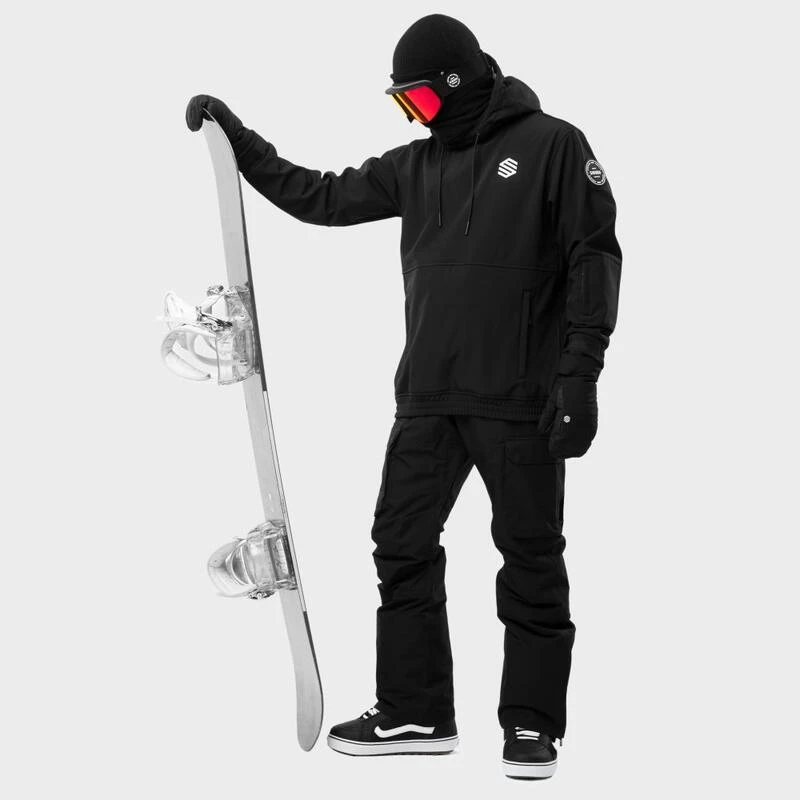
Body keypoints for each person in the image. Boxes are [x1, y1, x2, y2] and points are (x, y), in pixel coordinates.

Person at [186, 13, 621, 780]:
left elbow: (595, 257)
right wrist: (238, 141)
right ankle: (416, 712)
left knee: (530, 556)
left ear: (455, 84)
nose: (415, 117)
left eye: (418, 99)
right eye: (403, 105)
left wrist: (579, 376)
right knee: (400, 544)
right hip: (427, 398)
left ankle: (532, 726)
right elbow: (320, 196)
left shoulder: (553, 146)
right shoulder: (415, 167)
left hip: (519, 398)